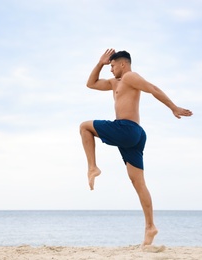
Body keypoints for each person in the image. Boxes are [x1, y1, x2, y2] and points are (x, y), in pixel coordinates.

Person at [79, 48, 193, 246]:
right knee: (139, 183)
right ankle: (150, 227)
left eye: (112, 66)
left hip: (127, 128)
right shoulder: (115, 82)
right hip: (134, 135)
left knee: (84, 127)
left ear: (123, 64)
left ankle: (92, 167)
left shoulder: (130, 76)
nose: (110, 69)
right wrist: (100, 63)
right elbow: (90, 84)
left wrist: (173, 107)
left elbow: (153, 89)